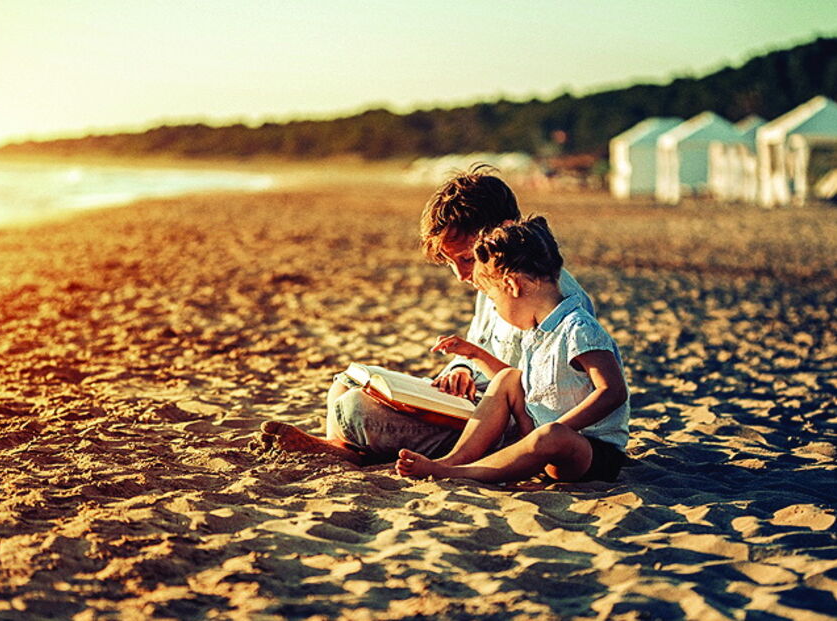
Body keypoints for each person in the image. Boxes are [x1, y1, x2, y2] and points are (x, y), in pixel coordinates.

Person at [260, 166, 594, 464]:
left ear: (504, 231)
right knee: (347, 381)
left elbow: (539, 392)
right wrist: (462, 368)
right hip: (470, 401)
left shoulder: (552, 299)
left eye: (466, 259)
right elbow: (478, 346)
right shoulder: (491, 284)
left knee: (353, 410)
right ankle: (345, 446)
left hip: (497, 424)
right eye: (452, 264)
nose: (462, 276)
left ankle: (347, 449)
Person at [395, 217, 629, 483]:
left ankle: (456, 473)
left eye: (493, 299)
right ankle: (453, 459)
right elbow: (523, 386)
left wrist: (561, 427)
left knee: (551, 436)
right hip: (539, 436)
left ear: (512, 286)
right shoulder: (536, 332)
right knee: (509, 379)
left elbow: (613, 391)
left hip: (588, 451)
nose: (494, 308)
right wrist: (474, 354)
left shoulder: (578, 328)